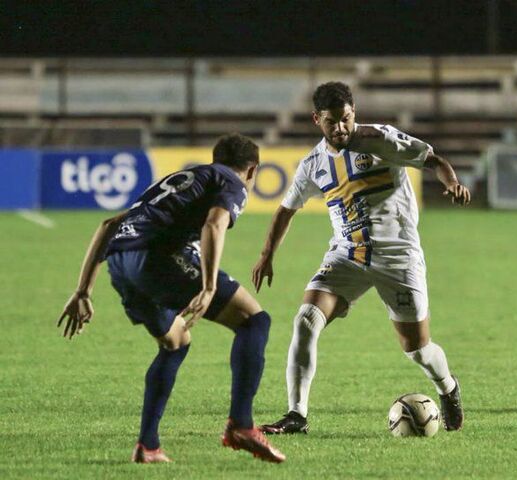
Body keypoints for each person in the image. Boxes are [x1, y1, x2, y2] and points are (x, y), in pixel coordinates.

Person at [252, 82, 470, 435]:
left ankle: (448, 386)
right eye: (331, 122)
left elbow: (434, 161)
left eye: (346, 119)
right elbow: (285, 210)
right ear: (315, 119)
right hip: (347, 255)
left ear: (354, 113)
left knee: (416, 349)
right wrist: (267, 255)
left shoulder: (381, 139)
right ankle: (296, 415)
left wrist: (451, 182)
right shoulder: (313, 164)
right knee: (306, 320)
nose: (340, 128)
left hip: (397, 256)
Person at [57, 133, 285, 463]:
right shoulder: (231, 180)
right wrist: (208, 287)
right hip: (158, 258)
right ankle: (242, 426)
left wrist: (82, 291)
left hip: (121, 264)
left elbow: (110, 223)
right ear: (253, 170)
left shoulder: (187, 178)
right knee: (254, 321)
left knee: (175, 341)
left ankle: (147, 446)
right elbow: (215, 223)